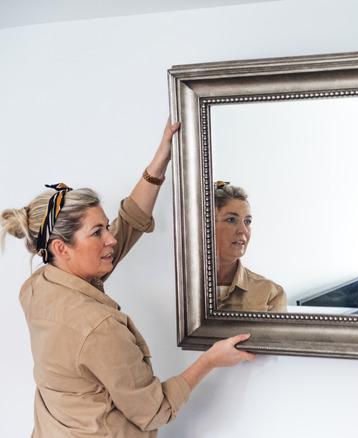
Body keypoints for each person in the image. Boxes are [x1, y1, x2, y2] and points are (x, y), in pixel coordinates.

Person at [0, 120, 256, 437]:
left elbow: (128, 224)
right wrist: (210, 360)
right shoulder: (98, 327)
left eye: (106, 226)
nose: (110, 239)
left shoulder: (38, 286)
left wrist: (158, 162)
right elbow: (154, 411)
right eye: (98, 232)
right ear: (61, 247)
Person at [213, 181, 286, 312]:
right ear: (206, 225)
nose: (243, 230)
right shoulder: (179, 288)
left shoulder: (270, 294)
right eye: (231, 220)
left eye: (247, 221)